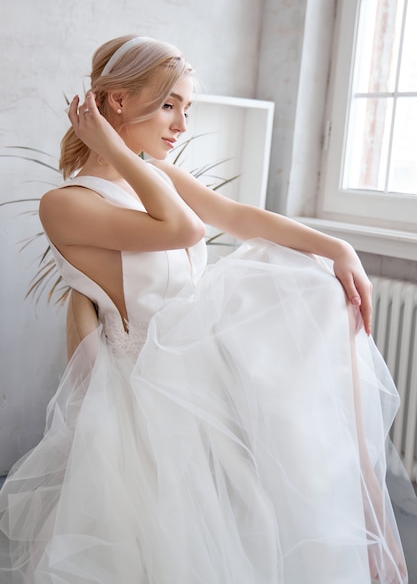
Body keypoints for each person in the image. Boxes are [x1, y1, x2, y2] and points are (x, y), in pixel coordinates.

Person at [0, 35, 411, 583]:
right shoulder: (68, 203)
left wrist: (338, 247)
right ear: (117, 103)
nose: (181, 125)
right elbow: (184, 229)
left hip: (205, 373)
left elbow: (238, 217)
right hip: (147, 394)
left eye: (186, 109)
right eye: (170, 105)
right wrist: (119, 151)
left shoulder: (160, 179)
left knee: (310, 287)